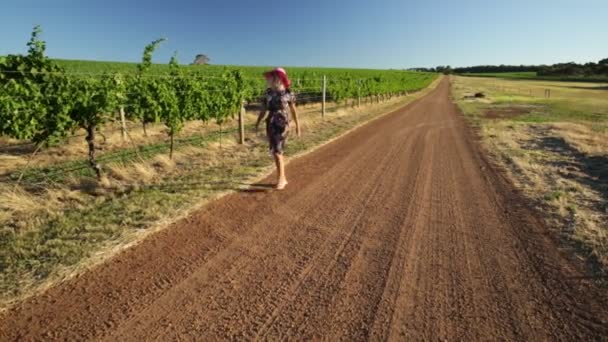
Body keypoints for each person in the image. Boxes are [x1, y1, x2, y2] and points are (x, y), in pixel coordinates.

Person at [256, 67, 300, 190]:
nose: (272, 79)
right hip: (270, 123)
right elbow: (263, 109)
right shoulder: (268, 93)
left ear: (281, 79)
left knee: (277, 150)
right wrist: (258, 122)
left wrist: (298, 126)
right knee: (275, 150)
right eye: (272, 77)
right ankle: (283, 177)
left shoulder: (288, 93)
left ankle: (281, 179)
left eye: (275, 77)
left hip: (282, 124)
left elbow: (293, 111)